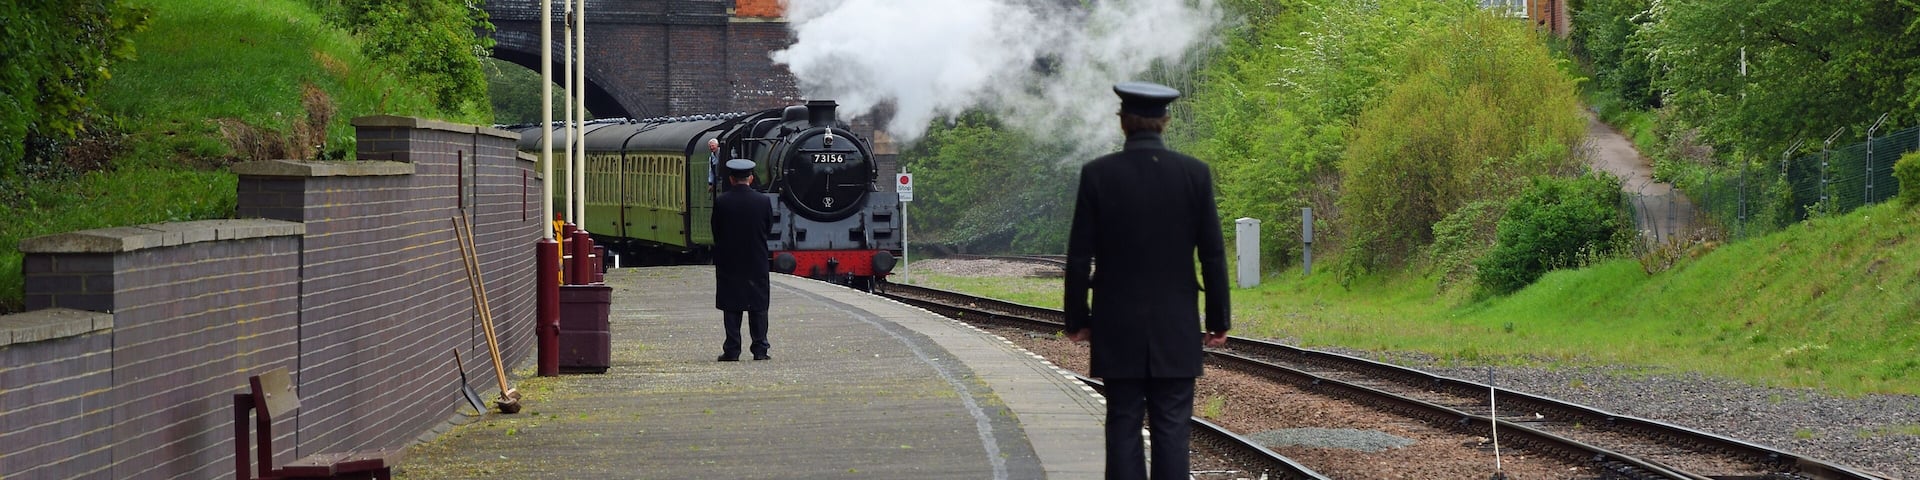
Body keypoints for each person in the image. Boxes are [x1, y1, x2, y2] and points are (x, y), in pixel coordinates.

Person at [1062, 81, 1231, 480]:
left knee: (1122, 421)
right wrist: (1218, 319)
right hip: (1176, 326)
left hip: (1117, 326)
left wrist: (1077, 320)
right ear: (1165, 122)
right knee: (1173, 427)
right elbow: (1212, 253)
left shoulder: (1098, 175)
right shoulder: (1195, 174)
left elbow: (1079, 255)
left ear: (1123, 123)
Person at [711, 158, 773, 361]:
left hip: (730, 260)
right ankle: (760, 349)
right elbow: (768, 228)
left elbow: (716, 231)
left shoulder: (721, 202)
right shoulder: (763, 201)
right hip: (757, 259)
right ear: (751, 178)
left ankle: (732, 349)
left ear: (731, 179)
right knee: (759, 305)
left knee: (732, 305)